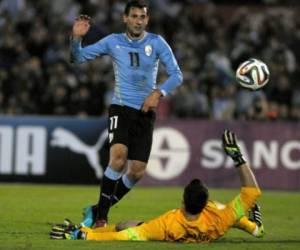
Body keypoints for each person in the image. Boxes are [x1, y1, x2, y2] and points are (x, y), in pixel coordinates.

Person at [70, 0, 183, 228]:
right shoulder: (113, 42)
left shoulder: (157, 42)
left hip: (145, 112)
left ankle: (97, 209)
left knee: (137, 172)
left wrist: (158, 93)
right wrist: (76, 39)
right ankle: (101, 218)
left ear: (147, 20)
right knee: (119, 158)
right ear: (125, 18)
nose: (138, 21)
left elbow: (176, 75)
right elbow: (78, 57)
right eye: (134, 16)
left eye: (142, 17)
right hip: (121, 108)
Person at [50, 130, 265, 243]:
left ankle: (254, 227)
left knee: (126, 225)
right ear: (204, 205)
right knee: (232, 213)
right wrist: (237, 157)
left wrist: (83, 235)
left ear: (182, 202)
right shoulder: (220, 219)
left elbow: (123, 236)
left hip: (175, 233)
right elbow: (252, 191)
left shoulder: (167, 225)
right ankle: (255, 227)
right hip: (210, 228)